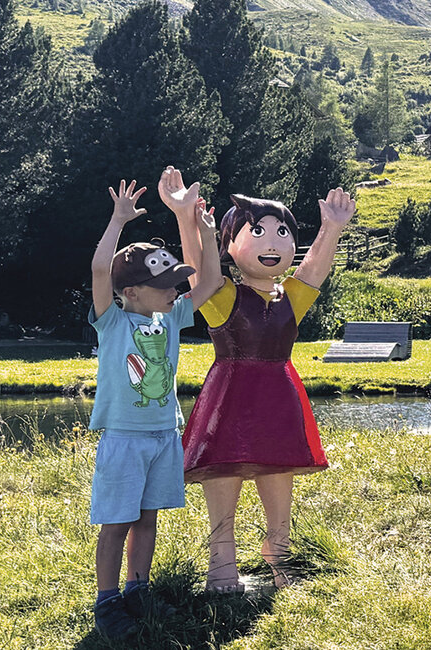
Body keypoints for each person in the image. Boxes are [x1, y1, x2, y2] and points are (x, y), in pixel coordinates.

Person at [162, 167, 354, 592]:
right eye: (259, 231)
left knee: (278, 472)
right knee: (223, 479)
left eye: (282, 232)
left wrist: (332, 230)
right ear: (230, 245)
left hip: (278, 400)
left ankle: (279, 552)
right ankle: (221, 568)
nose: (273, 243)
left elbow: (314, 270)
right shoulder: (223, 294)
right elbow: (198, 273)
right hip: (228, 400)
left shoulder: (291, 296)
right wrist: (183, 218)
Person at [86, 179, 212, 637]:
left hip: (163, 435)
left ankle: (137, 591)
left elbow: (207, 279)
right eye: (163, 285)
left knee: (146, 518)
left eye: (174, 284)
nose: (175, 292)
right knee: (117, 523)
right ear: (132, 291)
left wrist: (198, 226)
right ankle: (107, 604)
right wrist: (118, 220)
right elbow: (102, 270)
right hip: (123, 438)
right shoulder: (112, 319)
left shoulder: (172, 316)